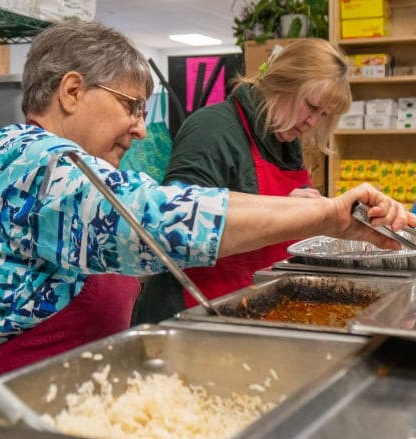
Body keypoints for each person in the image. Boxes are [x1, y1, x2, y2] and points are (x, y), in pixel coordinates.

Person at [0, 22, 416, 437]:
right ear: (72, 91)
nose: (140, 128)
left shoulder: (60, 166)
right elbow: (160, 221)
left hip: (17, 409)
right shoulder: (30, 160)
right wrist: (328, 214)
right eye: (130, 106)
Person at [133, 38, 357, 324]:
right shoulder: (212, 130)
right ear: (280, 82)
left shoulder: (285, 140)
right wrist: (283, 209)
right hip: (194, 311)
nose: (313, 122)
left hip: (250, 306)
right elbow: (177, 231)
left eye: (323, 114)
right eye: (311, 106)